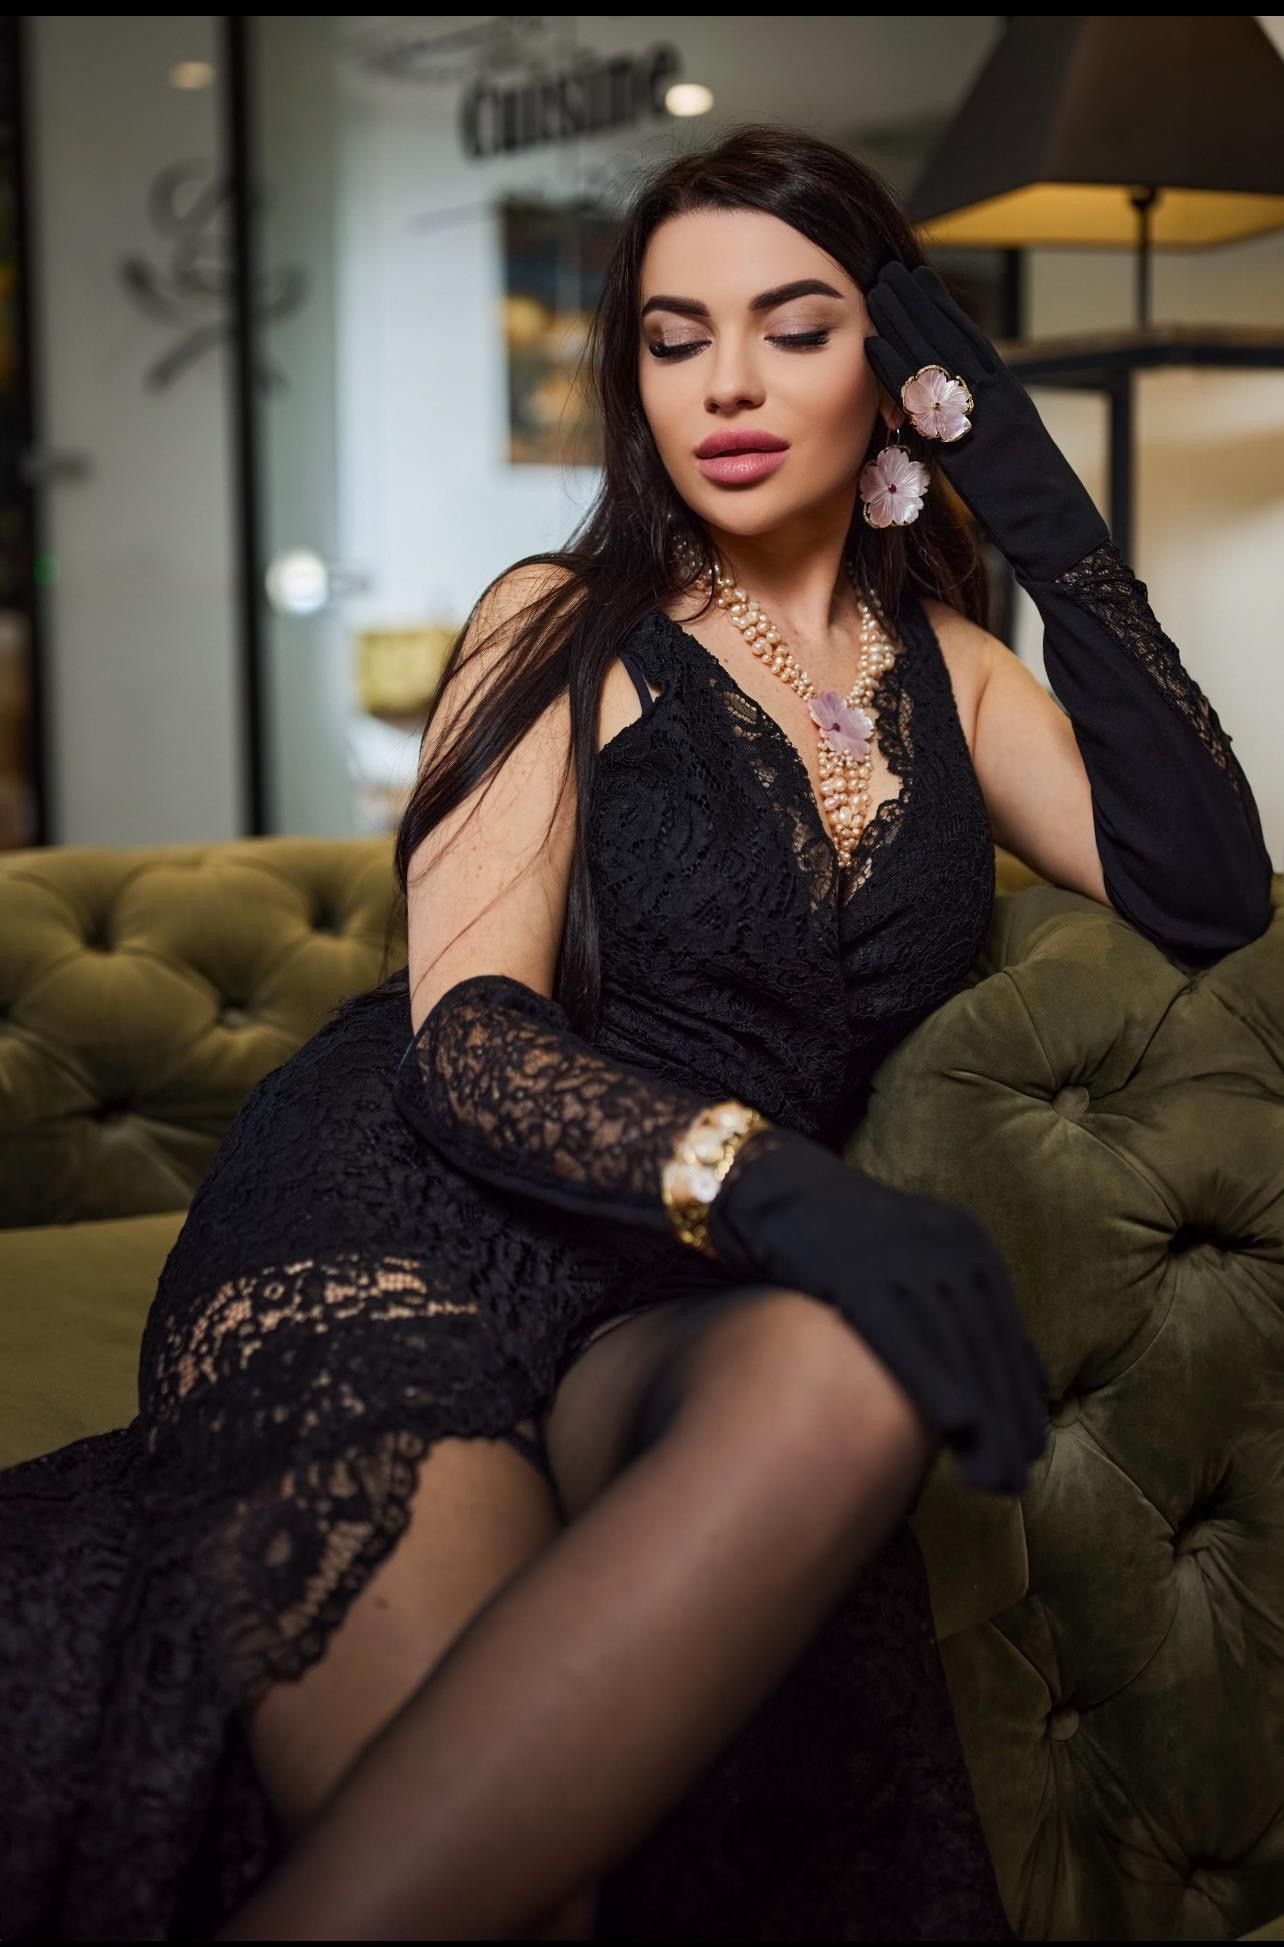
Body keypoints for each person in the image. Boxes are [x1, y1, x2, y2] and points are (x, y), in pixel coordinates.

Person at [0, 121, 1273, 1943]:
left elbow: (1208, 885)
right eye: (677, 340)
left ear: (896, 366)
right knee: (510, 1881)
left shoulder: (962, 673)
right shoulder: (559, 620)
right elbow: (465, 1037)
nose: (727, 384)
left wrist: (1042, 510)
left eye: (795, 327)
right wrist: (779, 1186)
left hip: (660, 1294)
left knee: (851, 1373)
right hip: (403, 1231)